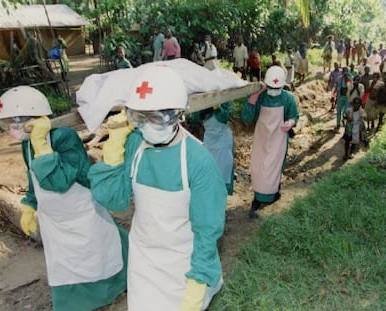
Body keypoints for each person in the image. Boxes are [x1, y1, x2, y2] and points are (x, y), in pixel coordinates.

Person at [88, 66, 227, 311]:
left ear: (177, 115)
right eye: (140, 117)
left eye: (156, 117)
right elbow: (114, 199)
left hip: (183, 266)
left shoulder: (198, 161)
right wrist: (114, 147)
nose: (147, 125)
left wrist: (198, 282)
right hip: (143, 262)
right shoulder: (134, 145)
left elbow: (208, 231)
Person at [0, 86, 128, 311]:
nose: (10, 129)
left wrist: (42, 145)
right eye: (6, 123)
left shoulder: (64, 137)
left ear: (34, 118)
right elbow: (34, 178)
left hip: (82, 212)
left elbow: (58, 181)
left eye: (14, 122)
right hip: (54, 220)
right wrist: (29, 205)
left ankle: (117, 287)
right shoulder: (28, 145)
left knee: (100, 255)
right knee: (66, 267)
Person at [241, 66, 299, 219]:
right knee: (259, 168)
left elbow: (294, 115)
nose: (273, 91)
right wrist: (252, 101)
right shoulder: (260, 97)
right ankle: (257, 199)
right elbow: (247, 119)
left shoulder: (288, 98)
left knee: (275, 168)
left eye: (277, 88)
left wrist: (291, 122)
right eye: (271, 87)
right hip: (262, 138)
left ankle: (274, 192)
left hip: (279, 139)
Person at [191, 103, 235, 195]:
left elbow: (225, 117)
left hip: (217, 142)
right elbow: (195, 117)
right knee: (215, 171)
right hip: (215, 143)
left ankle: (217, 198)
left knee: (218, 170)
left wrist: (217, 106)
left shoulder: (223, 102)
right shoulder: (217, 113)